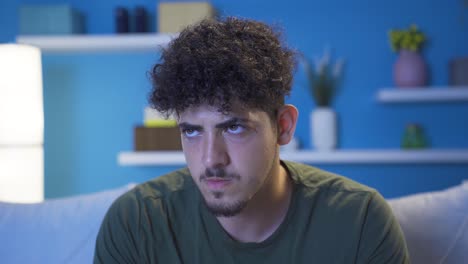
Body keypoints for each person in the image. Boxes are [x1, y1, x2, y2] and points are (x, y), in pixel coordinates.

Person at [94, 17, 409, 263]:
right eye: (191, 131)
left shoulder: (360, 221)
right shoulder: (137, 222)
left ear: (283, 126)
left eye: (234, 128)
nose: (210, 159)